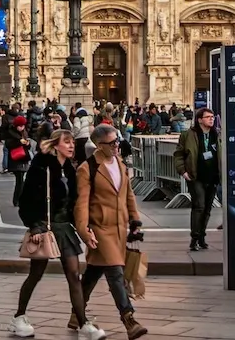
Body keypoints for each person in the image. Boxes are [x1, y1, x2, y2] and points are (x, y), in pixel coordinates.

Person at [11, 132, 92, 339]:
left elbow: (73, 204)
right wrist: (35, 227)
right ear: (56, 146)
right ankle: (19, 317)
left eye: (73, 142)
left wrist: (84, 228)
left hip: (64, 227)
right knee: (36, 274)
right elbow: (26, 201)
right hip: (46, 227)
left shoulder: (70, 170)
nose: (72, 146)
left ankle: (83, 322)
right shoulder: (41, 167)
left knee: (74, 275)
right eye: (67, 142)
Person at [73, 124, 146, 340]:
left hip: (119, 227)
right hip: (100, 227)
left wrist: (135, 219)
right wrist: (84, 230)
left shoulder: (120, 163)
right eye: (112, 143)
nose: (117, 146)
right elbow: (82, 203)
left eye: (118, 141)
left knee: (94, 272)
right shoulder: (88, 168)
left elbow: (129, 194)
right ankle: (129, 319)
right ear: (98, 144)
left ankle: (75, 312)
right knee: (115, 272)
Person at [171, 106, 221, 251]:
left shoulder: (216, 134)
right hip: (195, 175)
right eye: (208, 117)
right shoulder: (188, 135)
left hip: (212, 176)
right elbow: (179, 154)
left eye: (212, 117)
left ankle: (202, 237)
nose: (211, 119)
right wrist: (183, 171)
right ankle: (194, 237)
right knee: (199, 206)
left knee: (207, 208)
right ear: (200, 120)